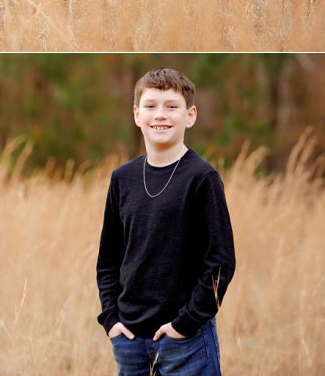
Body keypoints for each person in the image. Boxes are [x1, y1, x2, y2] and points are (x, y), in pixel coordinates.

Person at [96, 67, 235, 376]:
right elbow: (108, 260)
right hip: (129, 340)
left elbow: (220, 262)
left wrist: (185, 324)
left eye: (172, 106)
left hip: (185, 342)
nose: (160, 115)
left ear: (190, 115)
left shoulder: (202, 179)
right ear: (136, 115)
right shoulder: (123, 179)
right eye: (151, 106)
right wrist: (111, 320)